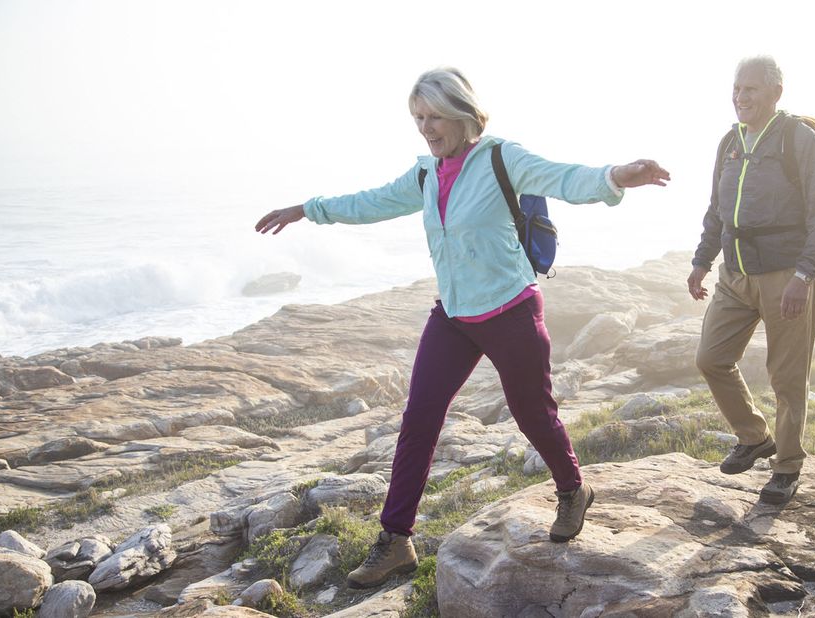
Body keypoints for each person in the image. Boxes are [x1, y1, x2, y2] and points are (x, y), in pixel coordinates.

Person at [256, 67, 670, 588]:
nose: (426, 128)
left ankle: (571, 489)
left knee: (532, 413)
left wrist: (615, 177)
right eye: (417, 118)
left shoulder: (501, 157)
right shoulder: (427, 173)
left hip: (510, 310)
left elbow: (562, 177)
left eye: (434, 117)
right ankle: (396, 540)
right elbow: (372, 202)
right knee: (419, 419)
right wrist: (306, 209)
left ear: (461, 113)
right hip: (453, 315)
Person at [688, 56, 815, 505]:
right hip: (734, 275)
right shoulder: (728, 143)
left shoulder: (797, 139)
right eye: (737, 88)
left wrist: (805, 274)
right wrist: (701, 260)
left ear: (775, 91)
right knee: (711, 358)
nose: (741, 96)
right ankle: (754, 436)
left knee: (786, 377)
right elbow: (718, 208)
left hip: (785, 275)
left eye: (751, 88)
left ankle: (787, 465)